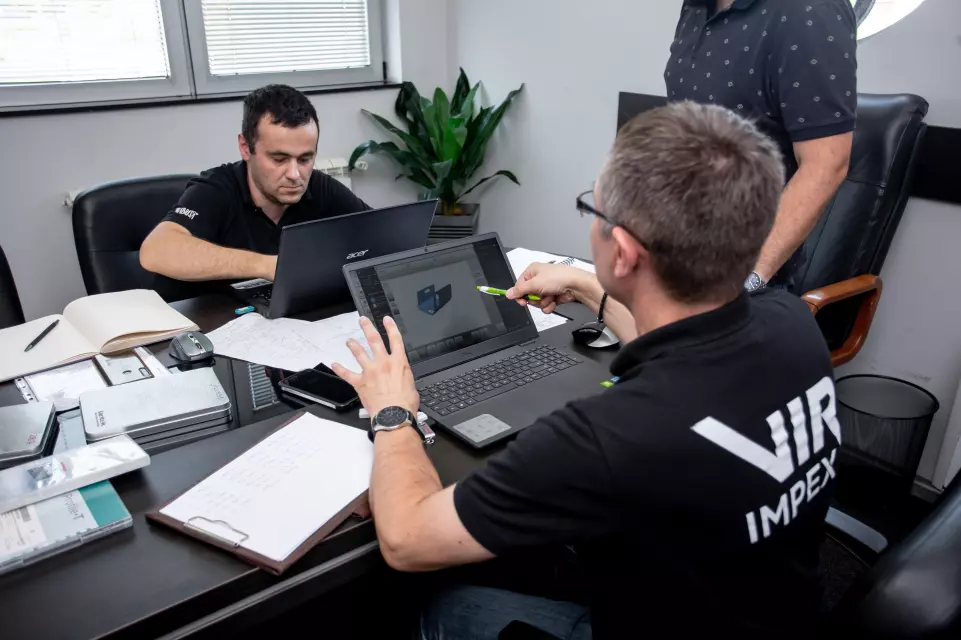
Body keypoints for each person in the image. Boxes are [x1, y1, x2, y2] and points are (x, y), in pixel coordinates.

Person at [330, 102, 842, 638]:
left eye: (593, 210)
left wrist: (393, 412)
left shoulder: (609, 436)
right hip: (773, 612)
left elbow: (406, 539)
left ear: (622, 251)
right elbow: (680, 343)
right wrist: (584, 285)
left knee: (441, 608)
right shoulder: (794, 323)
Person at [667, 0, 858, 291]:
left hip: (734, 279)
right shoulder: (696, 7)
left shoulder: (810, 9)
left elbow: (826, 164)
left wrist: (746, 279)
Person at [140, 84, 369, 283]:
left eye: (305, 159)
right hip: (208, 315)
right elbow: (156, 250)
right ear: (245, 148)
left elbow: (379, 234)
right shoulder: (216, 189)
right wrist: (269, 266)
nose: (294, 174)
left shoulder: (319, 187)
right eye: (279, 159)